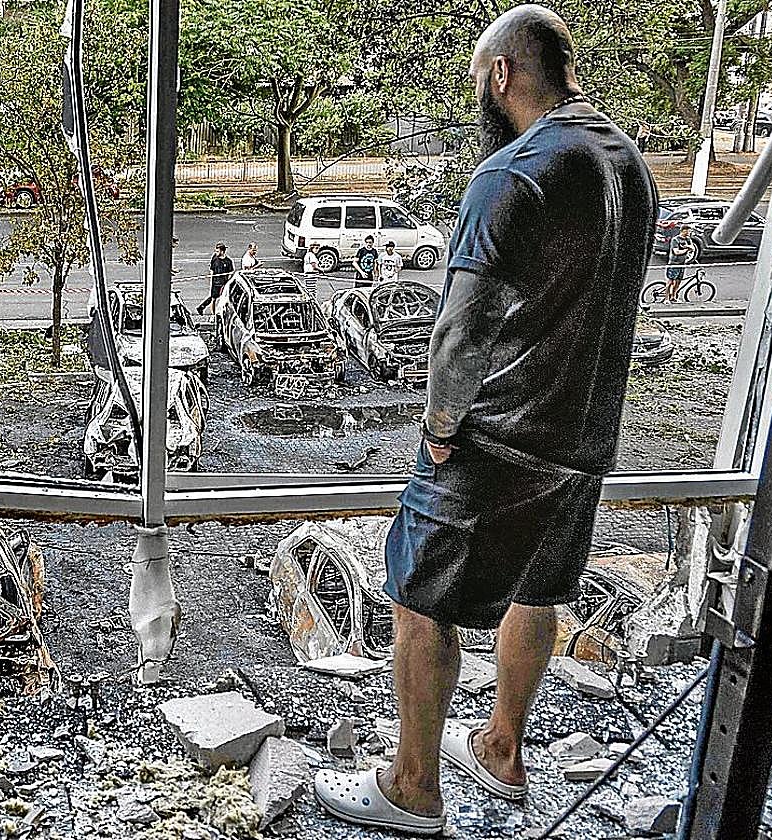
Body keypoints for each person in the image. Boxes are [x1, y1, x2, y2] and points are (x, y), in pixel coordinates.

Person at [312, 6, 656, 835]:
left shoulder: (515, 170)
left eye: (479, 81)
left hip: (498, 435)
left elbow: (459, 326)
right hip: (584, 435)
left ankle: (413, 788)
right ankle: (501, 750)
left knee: (419, 597)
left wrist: (438, 425)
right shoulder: (630, 164)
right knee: (537, 591)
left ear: (501, 74)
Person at [195, 242, 234, 315]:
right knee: (213, 298)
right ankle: (212, 314)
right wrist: (211, 277)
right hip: (215, 282)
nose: (216, 253)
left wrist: (228, 281)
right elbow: (211, 269)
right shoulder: (214, 258)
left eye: (217, 251)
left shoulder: (228, 261)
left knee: (224, 298)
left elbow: (231, 272)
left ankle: (201, 307)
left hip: (223, 283)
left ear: (222, 251)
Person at [666, 223, 697, 302]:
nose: (690, 233)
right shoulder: (675, 240)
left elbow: (692, 248)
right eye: (689, 231)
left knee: (678, 281)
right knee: (670, 281)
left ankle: (673, 297)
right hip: (674, 263)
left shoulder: (688, 239)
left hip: (682, 264)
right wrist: (687, 249)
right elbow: (676, 252)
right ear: (684, 231)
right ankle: (666, 299)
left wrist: (689, 247)